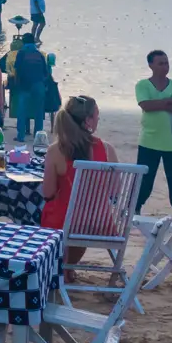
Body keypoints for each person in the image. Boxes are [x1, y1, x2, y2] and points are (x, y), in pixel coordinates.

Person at [40, 96, 109, 259]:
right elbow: (115, 191)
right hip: (100, 223)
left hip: (67, 223)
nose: (98, 118)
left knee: (40, 211)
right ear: (88, 121)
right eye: (96, 115)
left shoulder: (56, 151)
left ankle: (59, 265)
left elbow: (48, 193)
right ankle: (69, 266)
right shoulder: (107, 149)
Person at [135, 50, 172, 216]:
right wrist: (168, 102)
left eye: (166, 63)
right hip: (149, 141)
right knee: (144, 179)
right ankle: (134, 206)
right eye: (160, 63)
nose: (165, 66)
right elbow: (145, 105)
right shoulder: (143, 85)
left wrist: (162, 104)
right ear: (151, 65)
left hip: (171, 142)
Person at [8, 34, 53, 142]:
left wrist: (17, 85)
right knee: (38, 111)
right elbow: (46, 72)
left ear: (23, 42)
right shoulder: (39, 54)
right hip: (39, 85)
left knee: (22, 110)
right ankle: (38, 136)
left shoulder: (21, 53)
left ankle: (21, 136)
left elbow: (17, 70)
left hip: (25, 85)